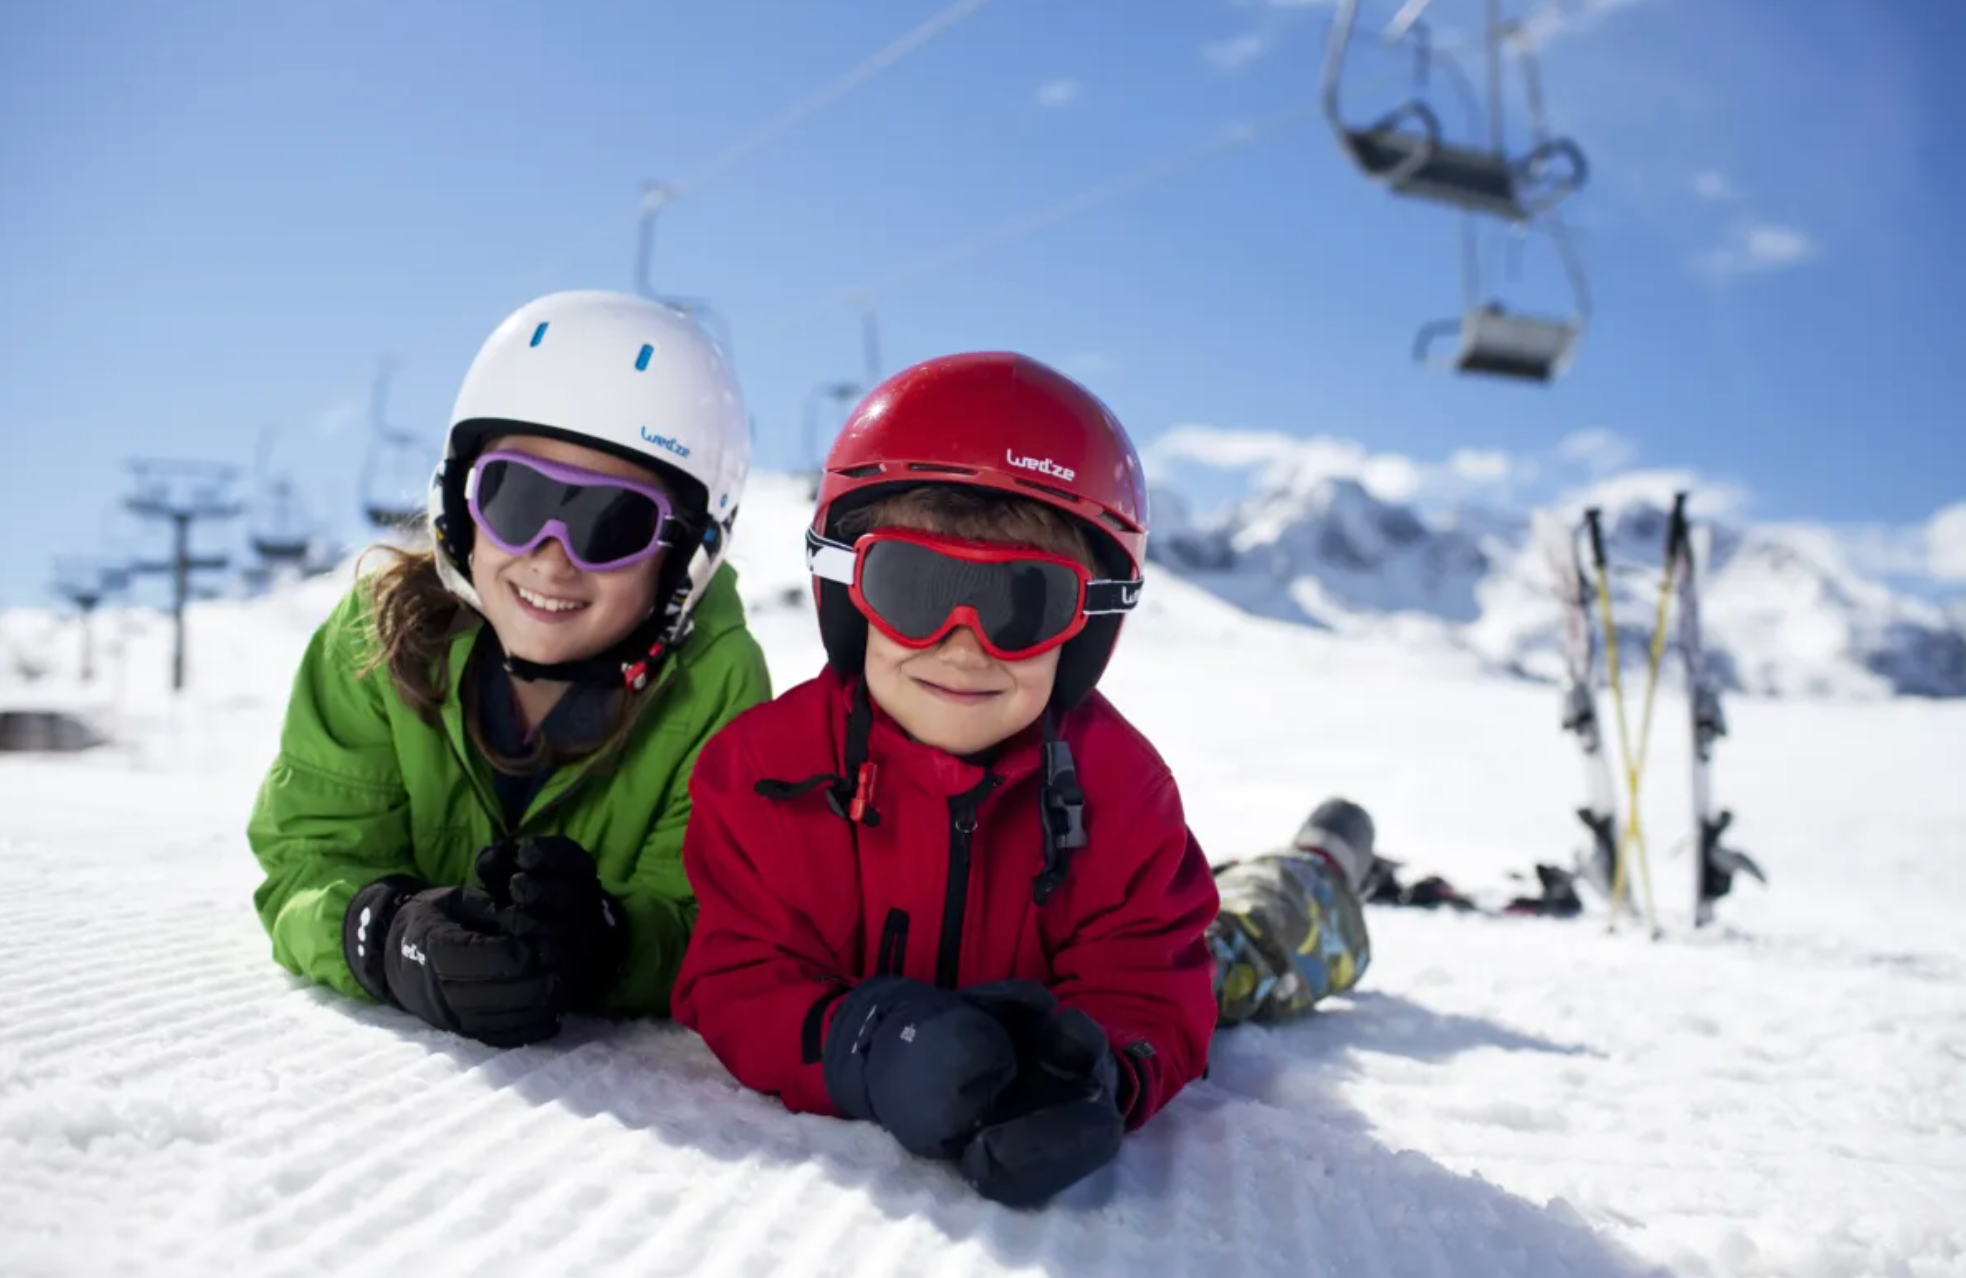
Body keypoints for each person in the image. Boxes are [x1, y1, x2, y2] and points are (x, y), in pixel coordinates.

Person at [671, 352, 1219, 1207]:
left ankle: (1304, 884)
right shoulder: (765, 774)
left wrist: (1100, 1069)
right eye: (916, 588)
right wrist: (865, 1043)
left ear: (1084, 631)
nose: (963, 645)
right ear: (849, 594)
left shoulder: (1123, 794)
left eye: (1020, 605)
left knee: (1241, 964)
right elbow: (737, 976)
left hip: (1199, 961)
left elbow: (1153, 980)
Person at [248, 290, 770, 1049]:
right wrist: (384, 934)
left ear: (687, 555)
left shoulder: (715, 687)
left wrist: (608, 943)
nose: (552, 558)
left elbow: (709, 918)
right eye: (517, 499)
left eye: (610, 522)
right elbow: (308, 861)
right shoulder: (381, 638)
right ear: (460, 504)